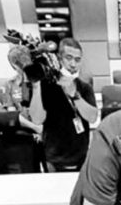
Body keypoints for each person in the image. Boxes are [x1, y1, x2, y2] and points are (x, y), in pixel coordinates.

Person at [29, 38, 98, 172]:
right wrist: (36, 87)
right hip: (54, 158)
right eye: (69, 58)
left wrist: (75, 95)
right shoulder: (45, 86)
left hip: (81, 156)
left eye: (77, 60)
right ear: (59, 59)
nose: (73, 64)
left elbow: (93, 117)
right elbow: (37, 119)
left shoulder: (84, 87)